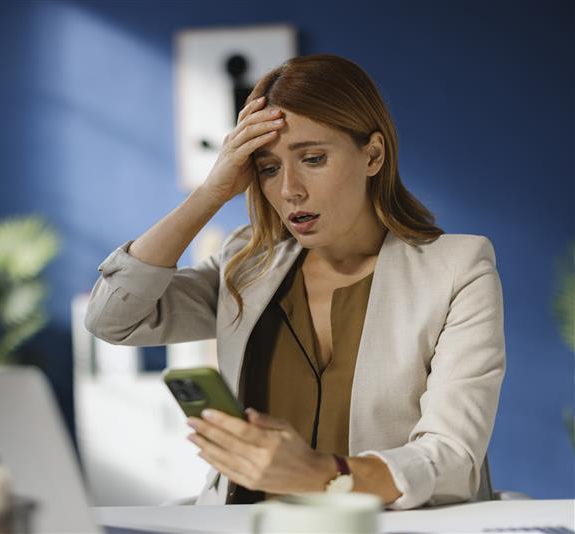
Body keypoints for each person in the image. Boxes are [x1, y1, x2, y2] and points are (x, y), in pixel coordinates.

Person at [84, 54, 505, 510]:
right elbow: (113, 319)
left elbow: (453, 460)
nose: (289, 190)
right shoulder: (246, 265)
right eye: (267, 168)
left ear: (373, 155)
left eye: (313, 158)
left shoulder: (458, 269)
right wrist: (211, 193)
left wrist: (322, 475)